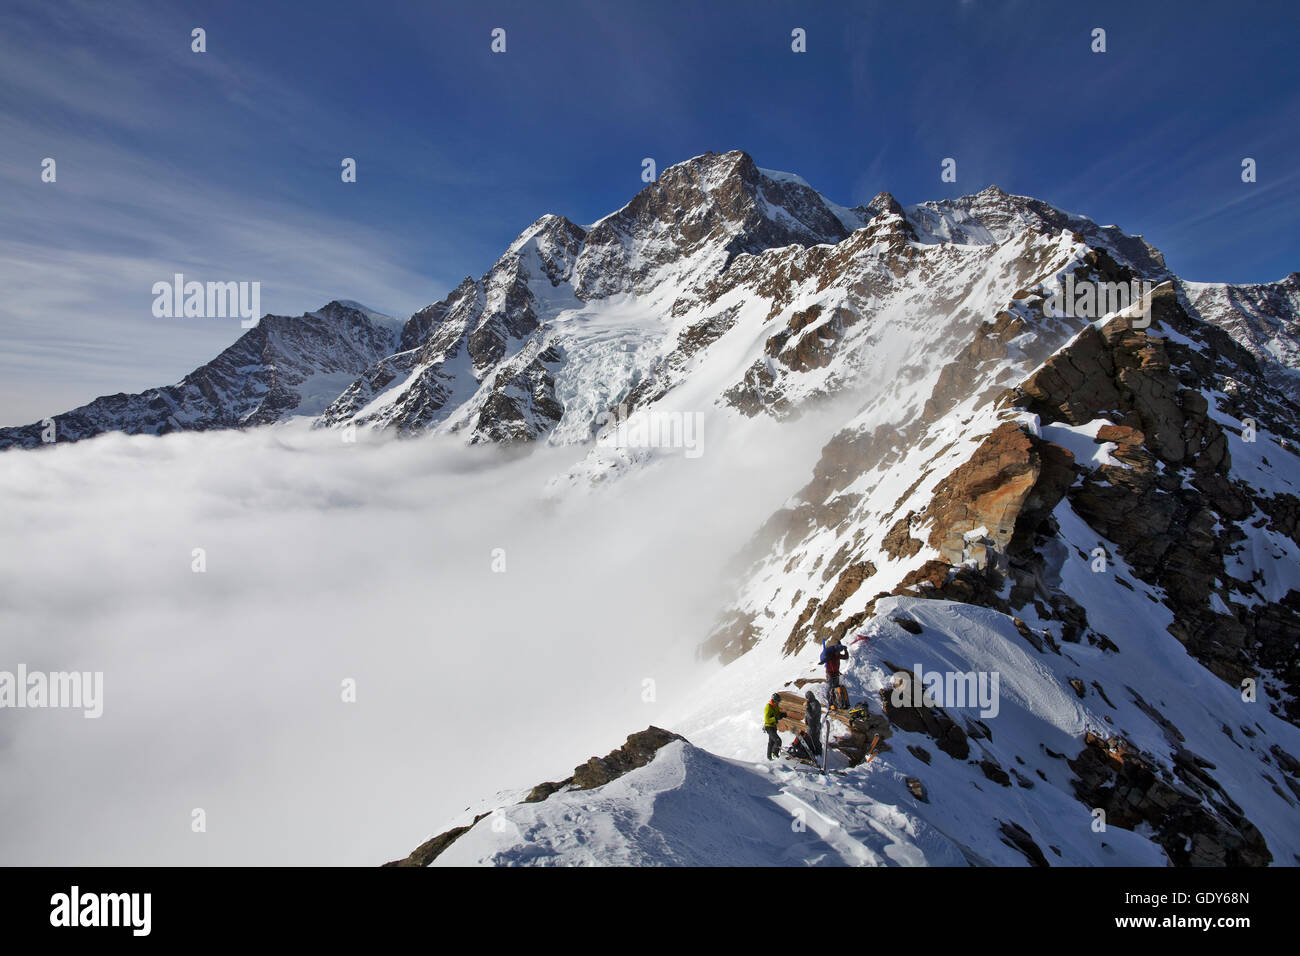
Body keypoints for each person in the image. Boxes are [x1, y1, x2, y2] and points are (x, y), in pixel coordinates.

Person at [819, 639, 849, 708]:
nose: (838, 652)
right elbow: (824, 659)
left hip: (836, 674)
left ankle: (836, 702)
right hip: (830, 674)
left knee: (836, 688)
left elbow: (846, 657)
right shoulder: (830, 656)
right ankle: (830, 703)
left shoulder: (837, 655)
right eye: (838, 651)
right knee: (830, 688)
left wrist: (846, 650)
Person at [763, 693, 785, 760]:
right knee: (778, 741)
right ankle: (775, 753)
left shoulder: (775, 706)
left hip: (774, 726)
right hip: (769, 727)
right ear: (774, 700)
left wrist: (782, 715)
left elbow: (777, 714)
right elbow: (767, 720)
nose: (778, 703)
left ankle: (769, 757)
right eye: (777, 701)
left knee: (771, 742)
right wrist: (776, 718)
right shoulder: (768, 707)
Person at [803, 690, 823, 756]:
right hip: (810, 725)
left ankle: (818, 753)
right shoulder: (810, 703)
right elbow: (807, 715)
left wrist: (807, 708)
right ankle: (812, 752)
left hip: (814, 725)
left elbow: (811, 716)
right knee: (810, 739)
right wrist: (806, 720)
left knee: (814, 740)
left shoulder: (815, 704)